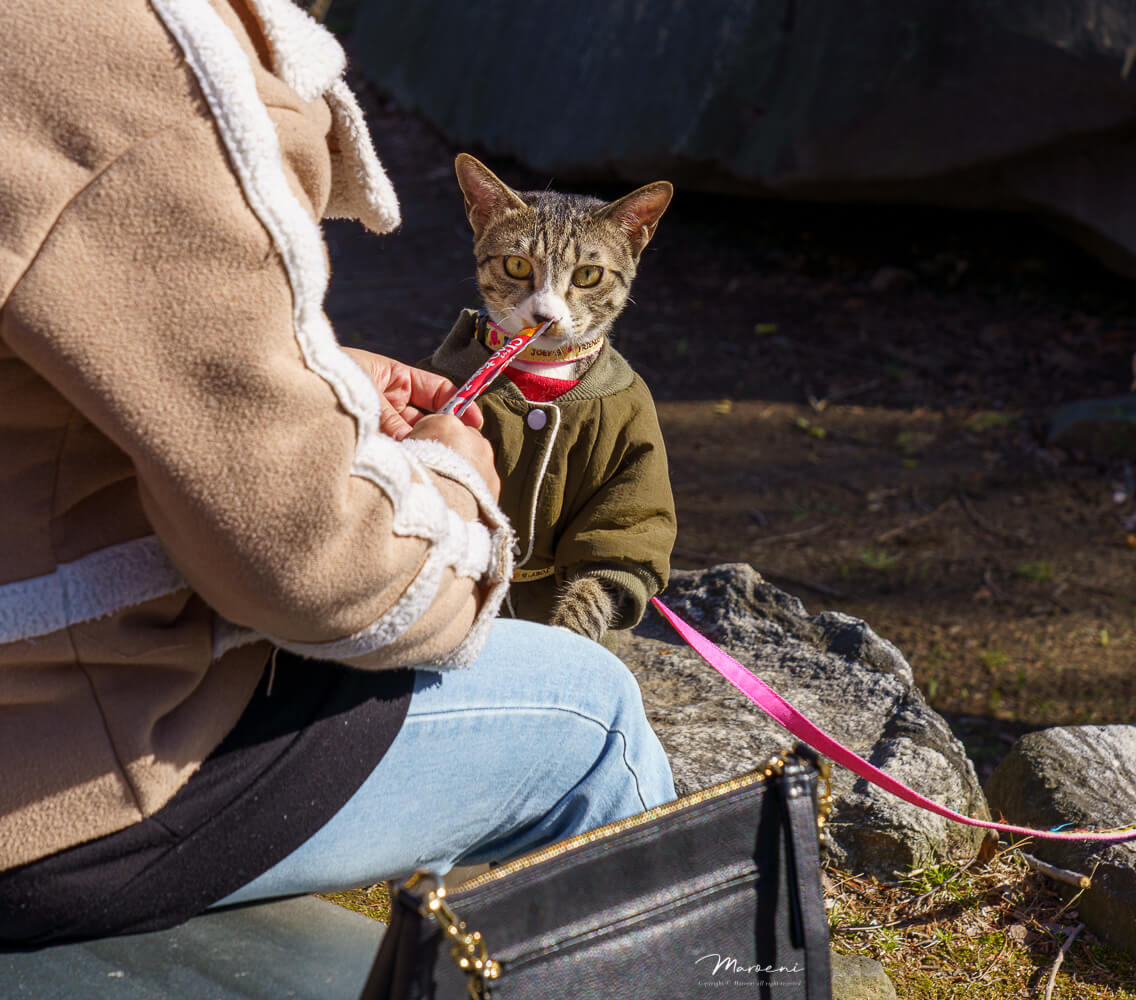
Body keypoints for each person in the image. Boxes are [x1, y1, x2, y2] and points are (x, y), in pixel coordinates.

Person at [0, 0, 673, 946]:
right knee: (594, 712)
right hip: (60, 787)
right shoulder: (157, 81)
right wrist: (448, 483)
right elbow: (316, 576)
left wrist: (307, 380)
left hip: (33, 708)